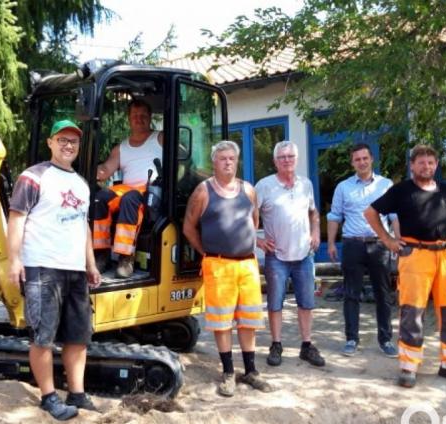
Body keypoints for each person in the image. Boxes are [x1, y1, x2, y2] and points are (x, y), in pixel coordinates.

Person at [7, 119, 102, 420]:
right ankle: (48, 397)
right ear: (50, 142)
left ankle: (77, 393)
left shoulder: (81, 184)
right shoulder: (34, 177)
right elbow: (17, 218)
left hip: (74, 271)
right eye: (62, 139)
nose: (68, 145)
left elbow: (83, 226)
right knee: (43, 336)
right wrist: (13, 260)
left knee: (78, 336)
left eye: (73, 141)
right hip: (42, 267)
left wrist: (90, 264)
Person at [364, 144, 446, 389]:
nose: (427, 166)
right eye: (421, 162)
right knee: (412, 313)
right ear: (412, 165)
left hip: (445, 256)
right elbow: (371, 213)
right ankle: (409, 367)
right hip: (415, 255)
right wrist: (388, 240)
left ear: (436, 165)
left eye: (431, 162)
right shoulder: (401, 191)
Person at [182, 140, 272, 397]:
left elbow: (253, 222)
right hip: (217, 264)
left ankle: (251, 371)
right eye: (223, 158)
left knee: (248, 320)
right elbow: (189, 227)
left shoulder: (249, 190)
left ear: (237, 160)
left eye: (232, 158)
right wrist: (206, 253)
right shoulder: (203, 191)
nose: (228, 162)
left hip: (247, 265)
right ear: (215, 162)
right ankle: (229, 372)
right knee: (222, 323)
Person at [255, 141, 325, 367]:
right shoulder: (264, 186)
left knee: (306, 302)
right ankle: (276, 344)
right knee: (275, 303)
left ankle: (307, 345)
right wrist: (258, 240)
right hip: (277, 256)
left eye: (290, 156)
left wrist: (316, 232)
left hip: (304, 255)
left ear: (296, 159)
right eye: (282, 157)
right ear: (275, 161)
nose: (287, 160)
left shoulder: (306, 184)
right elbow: (247, 216)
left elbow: (314, 213)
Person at [326, 143, 400, 359]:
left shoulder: (386, 185)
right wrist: (330, 243)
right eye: (357, 159)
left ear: (371, 159)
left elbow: (394, 216)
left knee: (383, 294)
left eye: (365, 158)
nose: (362, 162)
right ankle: (351, 339)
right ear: (352, 163)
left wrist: (397, 241)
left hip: (380, 245)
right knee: (351, 294)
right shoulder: (343, 187)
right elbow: (334, 216)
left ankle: (385, 339)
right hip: (352, 245)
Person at [93, 99, 163, 278]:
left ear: (150, 117)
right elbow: (106, 170)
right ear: (129, 119)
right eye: (135, 116)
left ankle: (126, 257)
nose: (139, 119)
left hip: (150, 191)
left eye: (143, 115)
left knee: (130, 198)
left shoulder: (160, 138)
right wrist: (94, 169)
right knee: (100, 198)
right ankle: (101, 254)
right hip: (126, 189)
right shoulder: (121, 148)